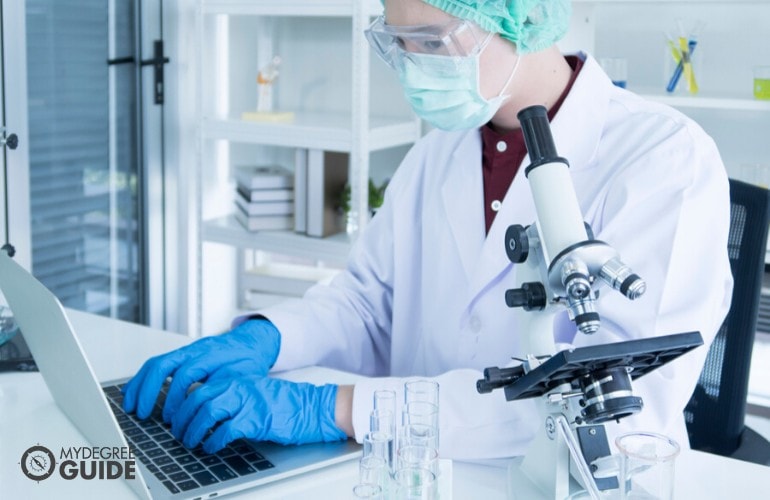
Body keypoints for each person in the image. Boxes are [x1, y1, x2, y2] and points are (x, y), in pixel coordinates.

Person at [123, 0, 733, 461]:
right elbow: (367, 305)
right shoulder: (436, 153)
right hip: (415, 470)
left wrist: (334, 408)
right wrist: (268, 339)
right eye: (399, 43)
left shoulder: (666, 160)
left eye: (430, 40)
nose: (412, 65)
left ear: (516, 17)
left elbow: (613, 402)